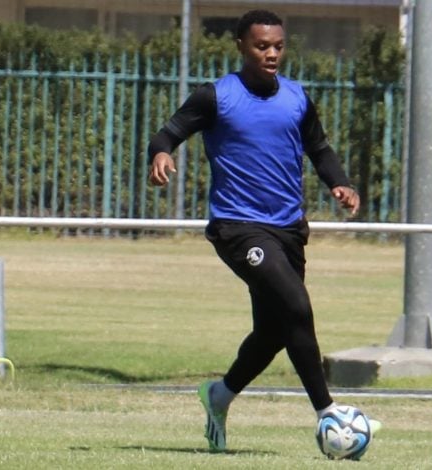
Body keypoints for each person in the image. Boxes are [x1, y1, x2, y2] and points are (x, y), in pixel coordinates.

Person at [147, 9, 378, 454]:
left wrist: (340, 182)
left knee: (275, 331)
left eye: (278, 46)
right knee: (296, 304)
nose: (271, 54)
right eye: (261, 46)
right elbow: (166, 134)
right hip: (239, 229)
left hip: (288, 229)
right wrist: (161, 154)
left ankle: (219, 395)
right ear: (240, 46)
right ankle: (328, 411)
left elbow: (319, 147)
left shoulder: (296, 97)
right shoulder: (216, 96)